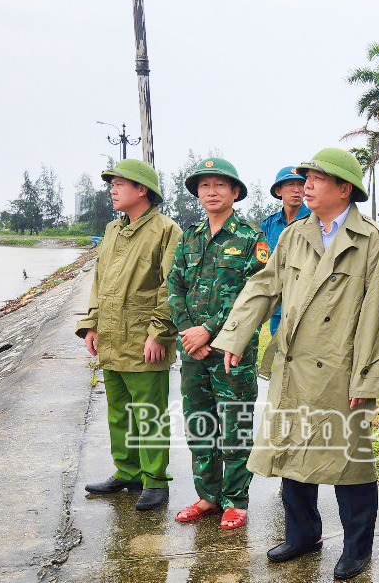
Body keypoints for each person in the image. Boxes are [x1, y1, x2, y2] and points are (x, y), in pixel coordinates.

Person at [211, 148, 379, 580]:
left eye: (316, 179)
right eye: (305, 178)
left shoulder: (372, 242)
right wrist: (237, 335)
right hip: (294, 365)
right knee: (291, 453)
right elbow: (264, 286)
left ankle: (357, 547)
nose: (306, 185)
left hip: (342, 367)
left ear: (343, 188)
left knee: (349, 462)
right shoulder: (296, 234)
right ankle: (302, 535)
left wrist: (367, 376)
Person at [166, 157, 268, 531]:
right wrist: (188, 331)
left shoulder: (250, 238)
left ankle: (236, 500)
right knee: (199, 424)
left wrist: (208, 329)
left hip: (231, 351)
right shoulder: (189, 236)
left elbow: (253, 294)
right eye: (204, 186)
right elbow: (174, 285)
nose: (211, 192)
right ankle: (208, 496)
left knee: (235, 424)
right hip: (193, 351)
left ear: (235, 192)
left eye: (219, 185)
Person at [75, 159, 181, 511]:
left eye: (120, 184)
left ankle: (154, 481)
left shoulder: (166, 230)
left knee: (148, 413)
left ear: (142, 190)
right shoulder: (112, 231)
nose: (112, 189)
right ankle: (128, 471)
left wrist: (159, 333)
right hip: (111, 338)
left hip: (143, 339)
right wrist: (91, 324)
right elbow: (99, 281)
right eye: (111, 184)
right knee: (119, 412)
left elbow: (172, 286)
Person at [260, 165, 311, 336]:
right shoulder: (269, 224)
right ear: (278, 190)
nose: (296, 190)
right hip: (278, 303)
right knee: (280, 353)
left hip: (306, 301)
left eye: (300, 184)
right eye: (290, 184)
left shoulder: (315, 220)